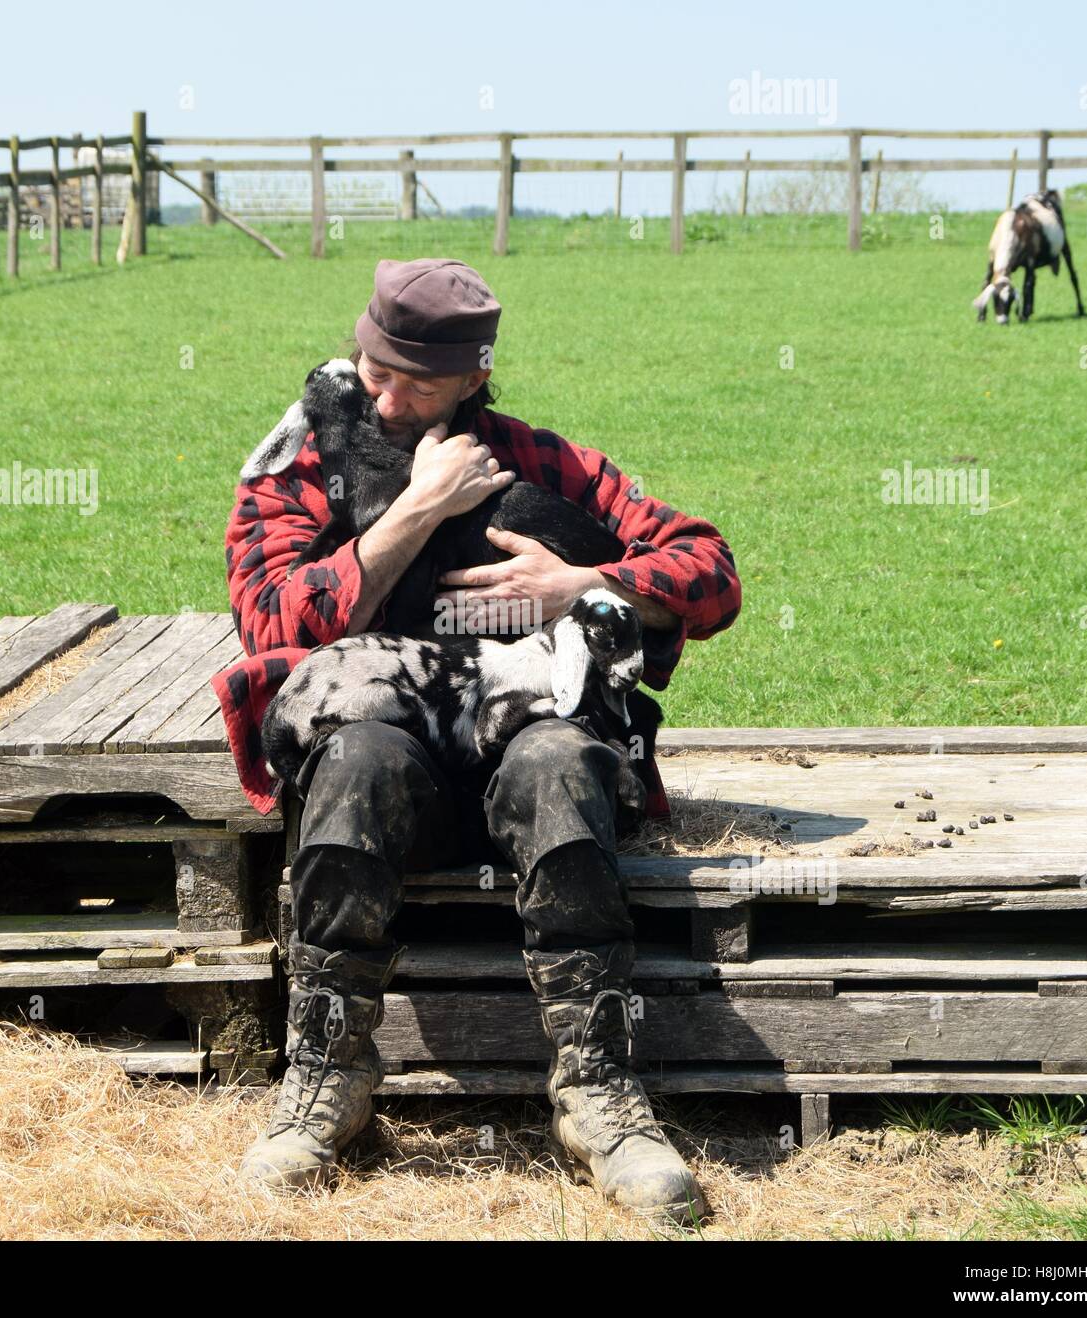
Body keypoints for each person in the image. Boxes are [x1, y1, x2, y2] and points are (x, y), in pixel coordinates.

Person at [210, 257, 742, 1220]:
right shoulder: (301, 465)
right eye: (376, 364)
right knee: (355, 759)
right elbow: (272, 621)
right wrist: (419, 507)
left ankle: (597, 1092)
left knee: (563, 760)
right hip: (384, 751)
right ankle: (327, 1080)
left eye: (418, 379)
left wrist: (577, 584)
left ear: (476, 376)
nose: (385, 391)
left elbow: (710, 566)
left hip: (521, 742)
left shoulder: (544, 462)